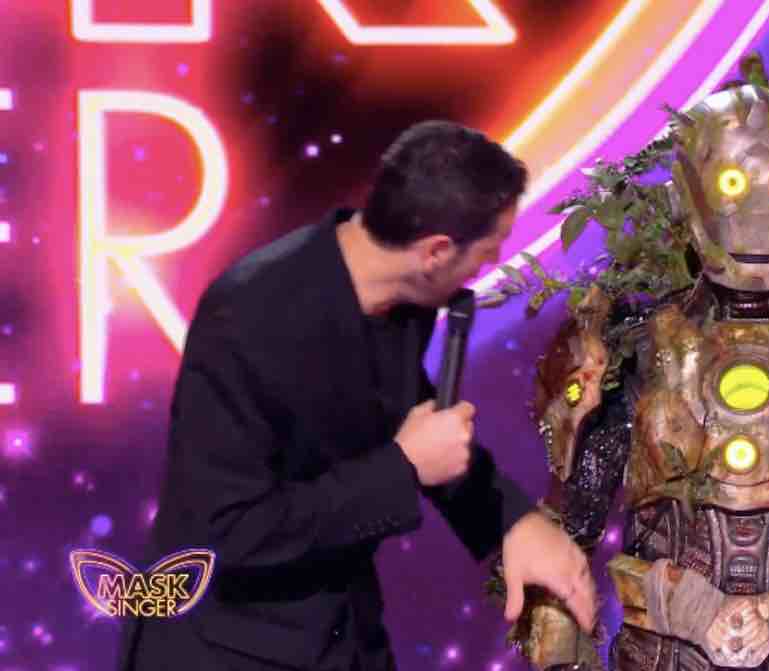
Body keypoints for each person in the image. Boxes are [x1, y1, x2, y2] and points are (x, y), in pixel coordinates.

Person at [118, 120, 597, 671]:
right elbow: (227, 532)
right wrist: (402, 467)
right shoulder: (246, 318)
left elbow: (417, 427)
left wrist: (513, 522)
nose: (486, 269)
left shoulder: (402, 301)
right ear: (436, 251)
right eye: (486, 253)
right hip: (231, 649)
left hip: (342, 636)